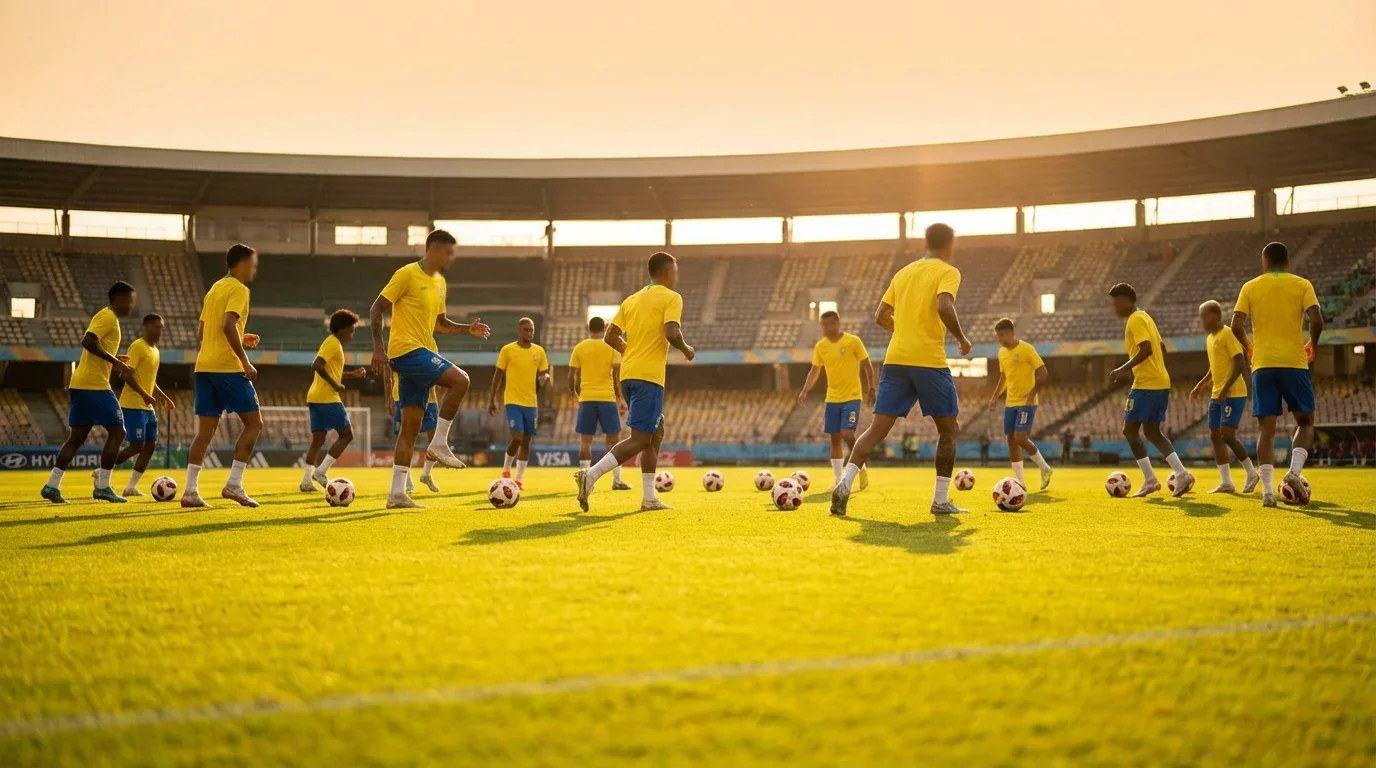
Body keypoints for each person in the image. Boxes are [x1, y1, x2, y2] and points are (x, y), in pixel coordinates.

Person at [831, 223, 971, 517]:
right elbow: (944, 304)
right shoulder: (948, 271)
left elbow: (880, 315)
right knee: (948, 431)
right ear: (949, 245)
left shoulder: (903, 272)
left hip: (895, 360)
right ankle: (940, 501)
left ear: (926, 243)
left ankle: (844, 484)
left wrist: (904, 330)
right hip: (928, 361)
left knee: (876, 429)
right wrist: (960, 337)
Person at [371, 229, 490, 509]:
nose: (452, 258)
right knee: (461, 380)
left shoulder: (440, 283)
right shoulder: (406, 274)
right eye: (449, 252)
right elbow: (377, 309)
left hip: (422, 350)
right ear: (434, 249)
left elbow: (439, 323)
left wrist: (467, 330)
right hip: (407, 351)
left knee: (409, 431)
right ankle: (439, 443)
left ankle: (397, 494)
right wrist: (379, 349)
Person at [576, 251, 693, 512]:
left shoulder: (631, 300)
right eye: (675, 270)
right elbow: (672, 332)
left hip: (629, 374)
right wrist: (685, 349)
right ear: (667, 272)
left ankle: (649, 498)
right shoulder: (672, 298)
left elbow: (610, 335)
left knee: (655, 432)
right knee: (641, 438)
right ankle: (590, 475)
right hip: (648, 377)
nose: (677, 275)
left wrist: (632, 352)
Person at [41, 282, 154, 504]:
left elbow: (97, 346)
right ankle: (103, 486)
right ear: (119, 299)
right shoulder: (108, 317)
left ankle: (51, 486)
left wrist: (114, 358)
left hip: (80, 384)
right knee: (118, 433)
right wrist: (116, 362)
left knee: (76, 438)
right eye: (130, 300)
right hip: (95, 385)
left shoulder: (108, 318)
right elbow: (88, 341)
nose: (132, 305)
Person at [1231, 241, 1322, 507]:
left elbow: (1236, 324)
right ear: (1288, 261)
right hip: (1294, 362)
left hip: (1263, 364)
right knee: (1305, 422)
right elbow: (1316, 319)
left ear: (1265, 262)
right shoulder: (1302, 284)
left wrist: (1250, 347)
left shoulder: (1250, 286)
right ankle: (1293, 474)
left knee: (1266, 431)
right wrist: (1313, 345)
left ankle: (1268, 493)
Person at [183, 244, 264, 509]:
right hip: (227, 368)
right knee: (254, 424)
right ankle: (234, 484)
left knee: (204, 433)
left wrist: (242, 336)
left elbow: (203, 332)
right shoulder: (239, 290)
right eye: (252, 263)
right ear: (240, 262)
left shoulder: (214, 289)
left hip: (204, 366)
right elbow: (228, 325)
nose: (254, 269)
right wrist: (245, 360)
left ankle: (190, 492)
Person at [1108, 283, 1194, 498]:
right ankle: (1181, 474)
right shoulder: (1146, 317)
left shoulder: (1135, 320)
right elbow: (1161, 347)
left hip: (1146, 384)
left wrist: (1124, 368)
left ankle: (1150, 480)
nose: (1114, 308)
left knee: (1129, 431)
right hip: (1160, 382)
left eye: (1116, 303)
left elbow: (1146, 348)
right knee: (1152, 432)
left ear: (1126, 301)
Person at [797, 310, 875, 489]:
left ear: (838, 323)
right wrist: (805, 390)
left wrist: (872, 386)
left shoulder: (852, 341)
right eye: (823, 325)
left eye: (830, 324)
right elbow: (815, 370)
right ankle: (839, 479)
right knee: (835, 438)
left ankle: (861, 467)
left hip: (852, 397)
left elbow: (866, 364)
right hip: (832, 398)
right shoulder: (820, 346)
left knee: (848, 434)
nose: (827, 328)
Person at [1188, 300, 1259, 493]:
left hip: (1233, 393)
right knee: (1215, 436)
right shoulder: (1210, 339)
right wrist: (1200, 385)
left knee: (1227, 434)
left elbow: (1239, 362)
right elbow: (1214, 367)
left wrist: (1226, 387)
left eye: (1203, 316)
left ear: (1214, 316)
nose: (1201, 320)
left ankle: (1252, 473)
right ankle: (1226, 482)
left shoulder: (1227, 334)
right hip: (1216, 394)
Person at [300, 310, 368, 492]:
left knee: (318, 439)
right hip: (326, 397)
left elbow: (331, 370)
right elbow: (317, 365)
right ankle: (321, 471)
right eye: (351, 330)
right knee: (347, 435)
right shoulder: (333, 343)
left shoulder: (332, 343)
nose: (352, 335)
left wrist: (351, 375)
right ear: (343, 329)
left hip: (315, 397)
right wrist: (335, 385)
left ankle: (307, 481)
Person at [109, 313, 175, 497]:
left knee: (150, 445)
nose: (160, 330)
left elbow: (149, 380)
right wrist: (144, 394)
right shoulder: (137, 347)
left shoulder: (155, 351)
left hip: (147, 406)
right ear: (146, 327)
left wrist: (162, 396)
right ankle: (103, 471)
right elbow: (126, 374)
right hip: (132, 404)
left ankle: (130, 487)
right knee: (137, 445)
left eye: (162, 327)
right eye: (156, 327)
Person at [986, 317, 1053, 490]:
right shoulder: (1001, 353)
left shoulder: (1026, 349)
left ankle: (1045, 468)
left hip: (1027, 402)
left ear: (1010, 333)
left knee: (1020, 437)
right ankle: (1021, 483)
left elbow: (1043, 372)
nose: (999, 339)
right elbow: (1004, 376)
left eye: (1001, 335)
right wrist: (995, 396)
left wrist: (1033, 391)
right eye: (997, 336)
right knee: (1011, 440)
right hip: (1011, 403)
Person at [569, 316, 631, 491]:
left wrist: (573, 393)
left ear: (589, 328)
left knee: (585, 442)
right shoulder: (610, 348)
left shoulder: (579, 348)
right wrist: (620, 398)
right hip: (607, 399)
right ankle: (617, 480)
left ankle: (584, 479)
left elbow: (572, 375)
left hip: (586, 399)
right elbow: (616, 376)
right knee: (614, 440)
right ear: (604, 328)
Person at [489, 317, 551, 488]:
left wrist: (543, 380)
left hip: (531, 402)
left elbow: (542, 377)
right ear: (519, 331)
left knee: (526, 441)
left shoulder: (539, 352)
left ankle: (518, 479)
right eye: (526, 329)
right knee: (517, 437)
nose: (530, 333)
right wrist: (492, 398)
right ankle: (506, 470)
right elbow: (498, 375)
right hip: (512, 401)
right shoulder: (508, 350)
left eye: (531, 330)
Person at [385, 372, 443, 494]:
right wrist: (388, 398)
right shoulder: (394, 353)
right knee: (405, 437)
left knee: (436, 439)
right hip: (402, 397)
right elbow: (388, 376)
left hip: (429, 397)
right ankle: (407, 481)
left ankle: (426, 474)